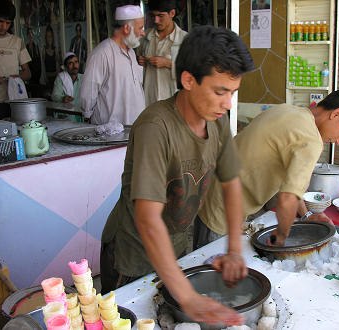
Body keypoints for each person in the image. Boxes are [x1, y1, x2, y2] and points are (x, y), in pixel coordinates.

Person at [100, 25, 255, 325]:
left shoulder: (218, 121)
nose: (228, 104)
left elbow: (232, 185)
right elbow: (147, 218)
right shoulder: (155, 127)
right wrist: (188, 296)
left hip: (175, 249)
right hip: (132, 256)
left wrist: (234, 249)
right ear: (188, 80)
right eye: (220, 92)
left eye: (233, 93)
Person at [197, 88, 339, 248]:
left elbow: (290, 185)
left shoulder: (288, 110)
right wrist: (281, 240)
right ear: (336, 114)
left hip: (211, 194)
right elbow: (288, 198)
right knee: (208, 272)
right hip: (223, 214)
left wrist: (306, 216)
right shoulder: (310, 139)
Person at [80, 5, 145, 126]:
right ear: (126, 28)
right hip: (111, 135)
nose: (143, 33)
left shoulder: (130, 52)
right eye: (140, 28)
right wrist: (89, 117)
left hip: (134, 130)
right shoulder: (102, 54)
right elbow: (87, 95)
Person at [0, 1, 31, 119]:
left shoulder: (17, 42)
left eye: (8, 23)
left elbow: (28, 73)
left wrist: (16, 78)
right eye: (0, 21)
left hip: (13, 103)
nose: (3, 26)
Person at [137, 0, 187, 106]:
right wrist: (138, 61)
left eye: (161, 16)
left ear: (172, 13)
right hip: (148, 100)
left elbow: (193, 71)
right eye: (153, 16)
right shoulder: (145, 37)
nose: (156, 20)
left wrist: (168, 63)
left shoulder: (185, 39)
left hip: (174, 102)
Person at [41, 25, 60, 90]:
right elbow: (43, 66)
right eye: (47, 36)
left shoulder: (55, 50)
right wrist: (44, 79)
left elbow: (58, 65)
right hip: (47, 79)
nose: (49, 38)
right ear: (45, 37)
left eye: (50, 36)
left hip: (55, 77)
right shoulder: (44, 50)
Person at [25, 28, 42, 97]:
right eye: (29, 34)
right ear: (27, 36)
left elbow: (39, 61)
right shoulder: (26, 47)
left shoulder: (36, 47)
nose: (30, 35)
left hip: (37, 73)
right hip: (30, 73)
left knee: (37, 92)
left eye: (31, 33)